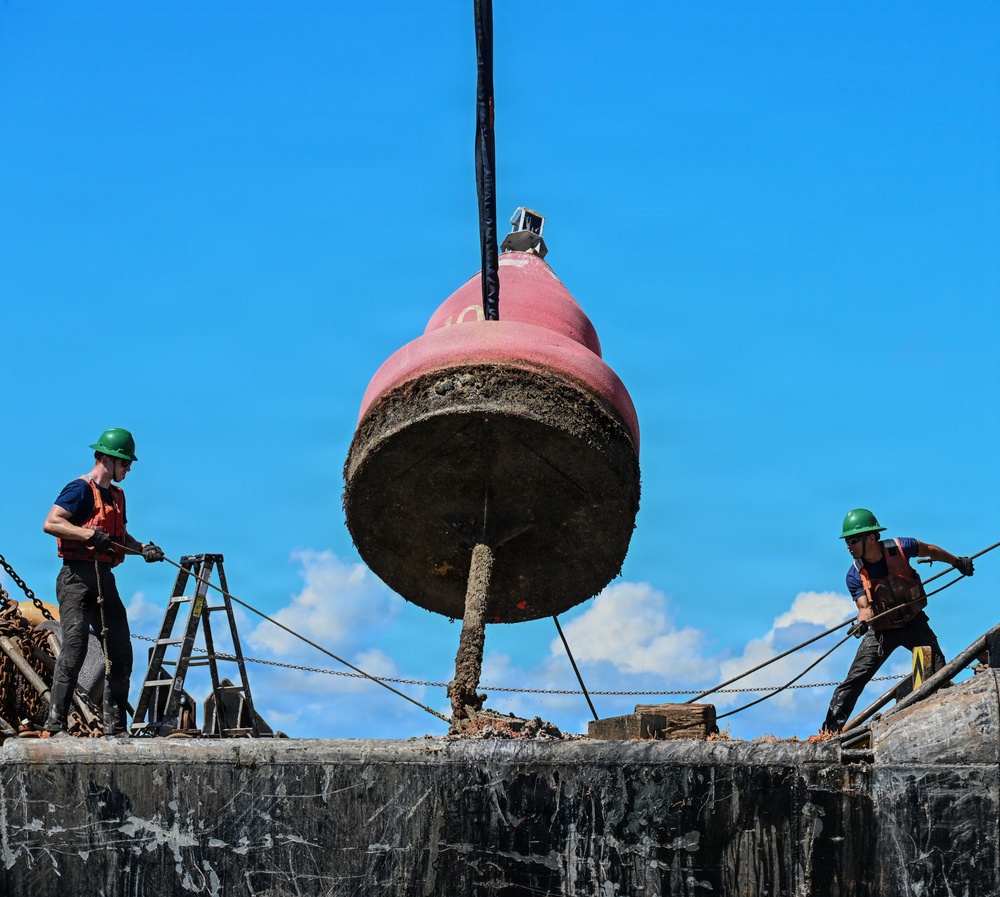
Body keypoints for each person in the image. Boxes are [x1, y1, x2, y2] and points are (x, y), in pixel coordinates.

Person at [40, 428, 164, 737]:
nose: (129, 469)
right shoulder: (79, 489)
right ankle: (55, 725)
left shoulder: (117, 496)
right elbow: (51, 522)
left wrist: (143, 550)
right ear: (108, 460)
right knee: (75, 649)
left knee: (121, 653)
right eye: (125, 463)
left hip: (104, 580)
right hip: (76, 579)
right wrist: (86, 534)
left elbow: (119, 539)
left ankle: (115, 730)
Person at [820, 508, 974, 735]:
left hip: (914, 623)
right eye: (847, 541)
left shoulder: (902, 547)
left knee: (940, 670)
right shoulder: (854, 575)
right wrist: (862, 622)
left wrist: (957, 562)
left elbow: (930, 550)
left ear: (870, 538)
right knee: (855, 679)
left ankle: (952, 723)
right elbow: (865, 608)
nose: (848, 546)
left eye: (852, 540)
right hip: (883, 632)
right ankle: (828, 733)